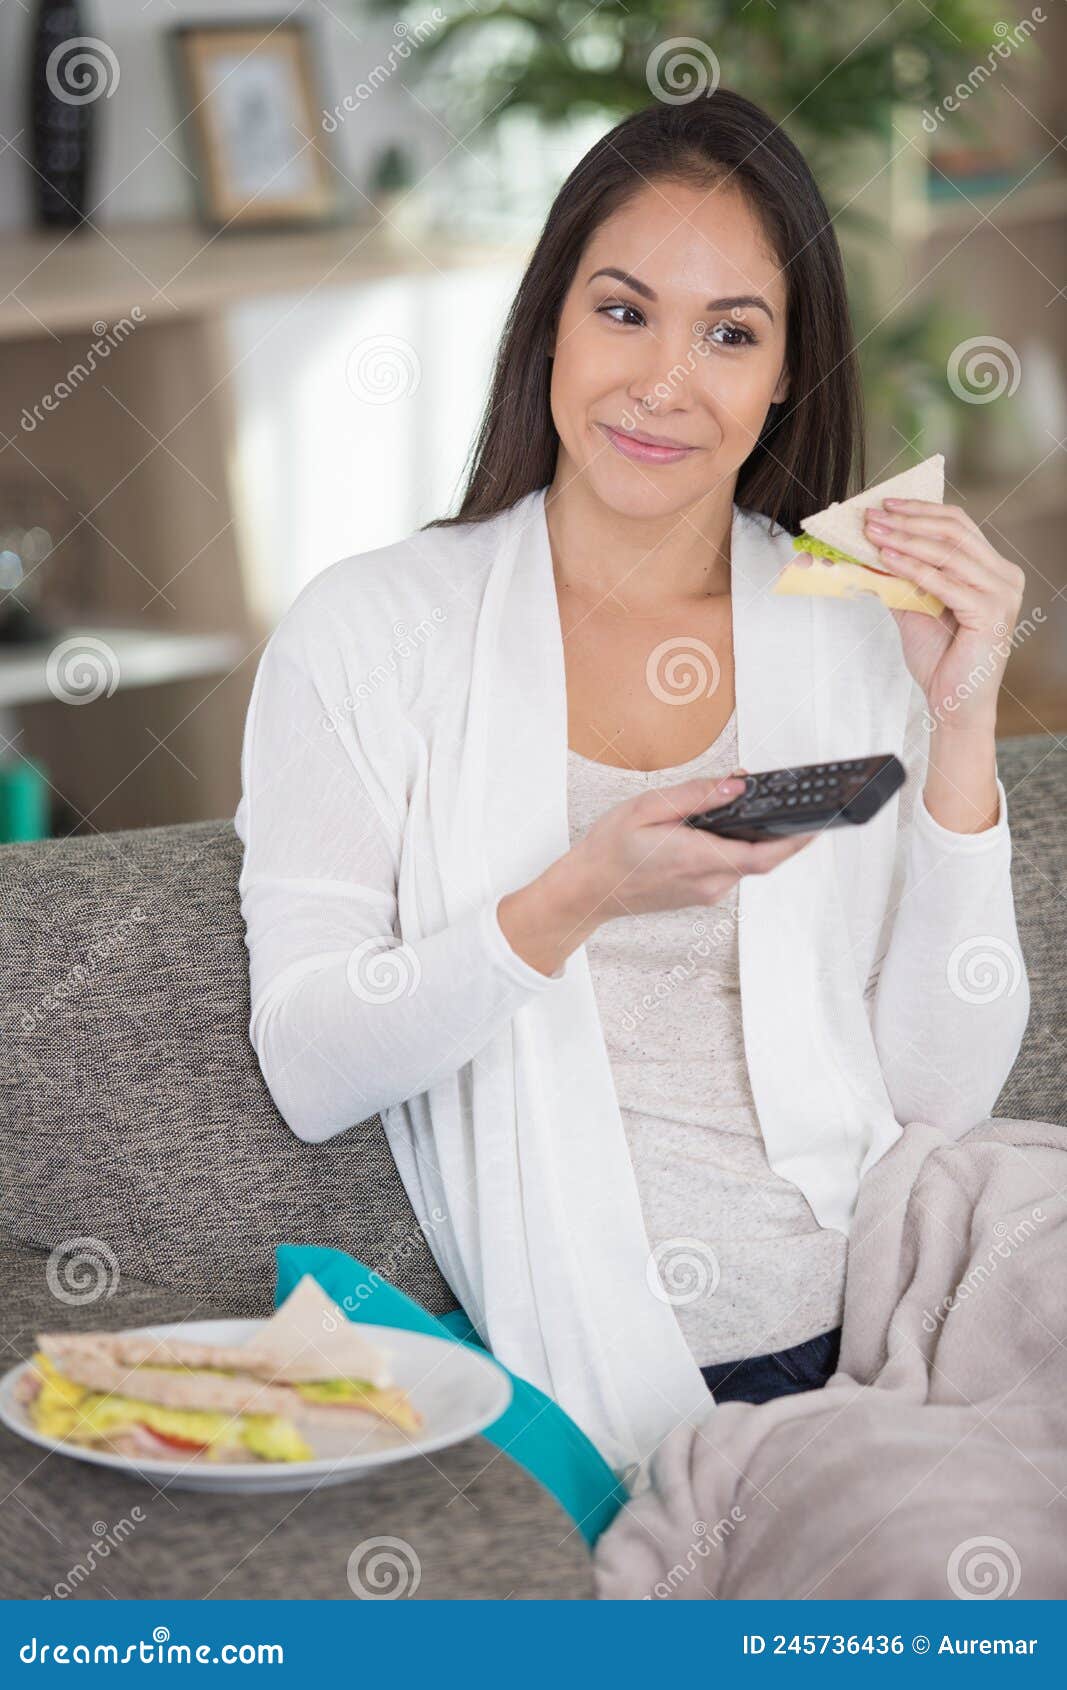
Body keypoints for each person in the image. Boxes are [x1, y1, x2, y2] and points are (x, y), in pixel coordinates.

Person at [234, 89, 1029, 1483]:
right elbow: (308, 1063)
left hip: (913, 1294)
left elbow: (939, 1092)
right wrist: (576, 895)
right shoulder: (371, 630)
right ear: (549, 318)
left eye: (732, 332)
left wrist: (961, 722)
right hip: (660, 1371)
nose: (667, 380)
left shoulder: (850, 617)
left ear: (786, 374)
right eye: (623, 311)